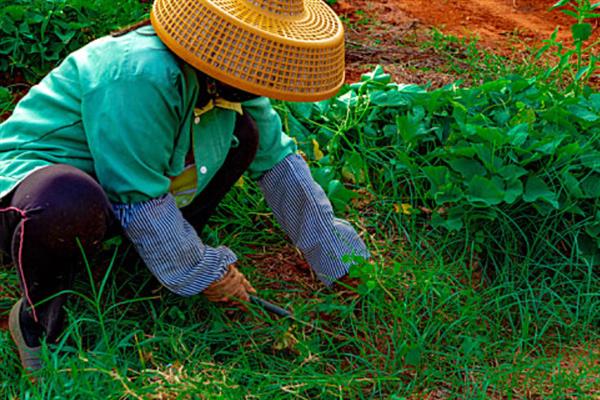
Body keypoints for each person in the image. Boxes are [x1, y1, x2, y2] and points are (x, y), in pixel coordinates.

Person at [0, 0, 368, 371]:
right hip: (32, 188)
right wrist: (207, 270)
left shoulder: (231, 75)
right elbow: (137, 192)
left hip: (115, 184)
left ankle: (149, 267)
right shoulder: (140, 72)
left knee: (244, 135)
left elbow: (279, 163)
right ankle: (38, 322)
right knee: (66, 201)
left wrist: (340, 261)